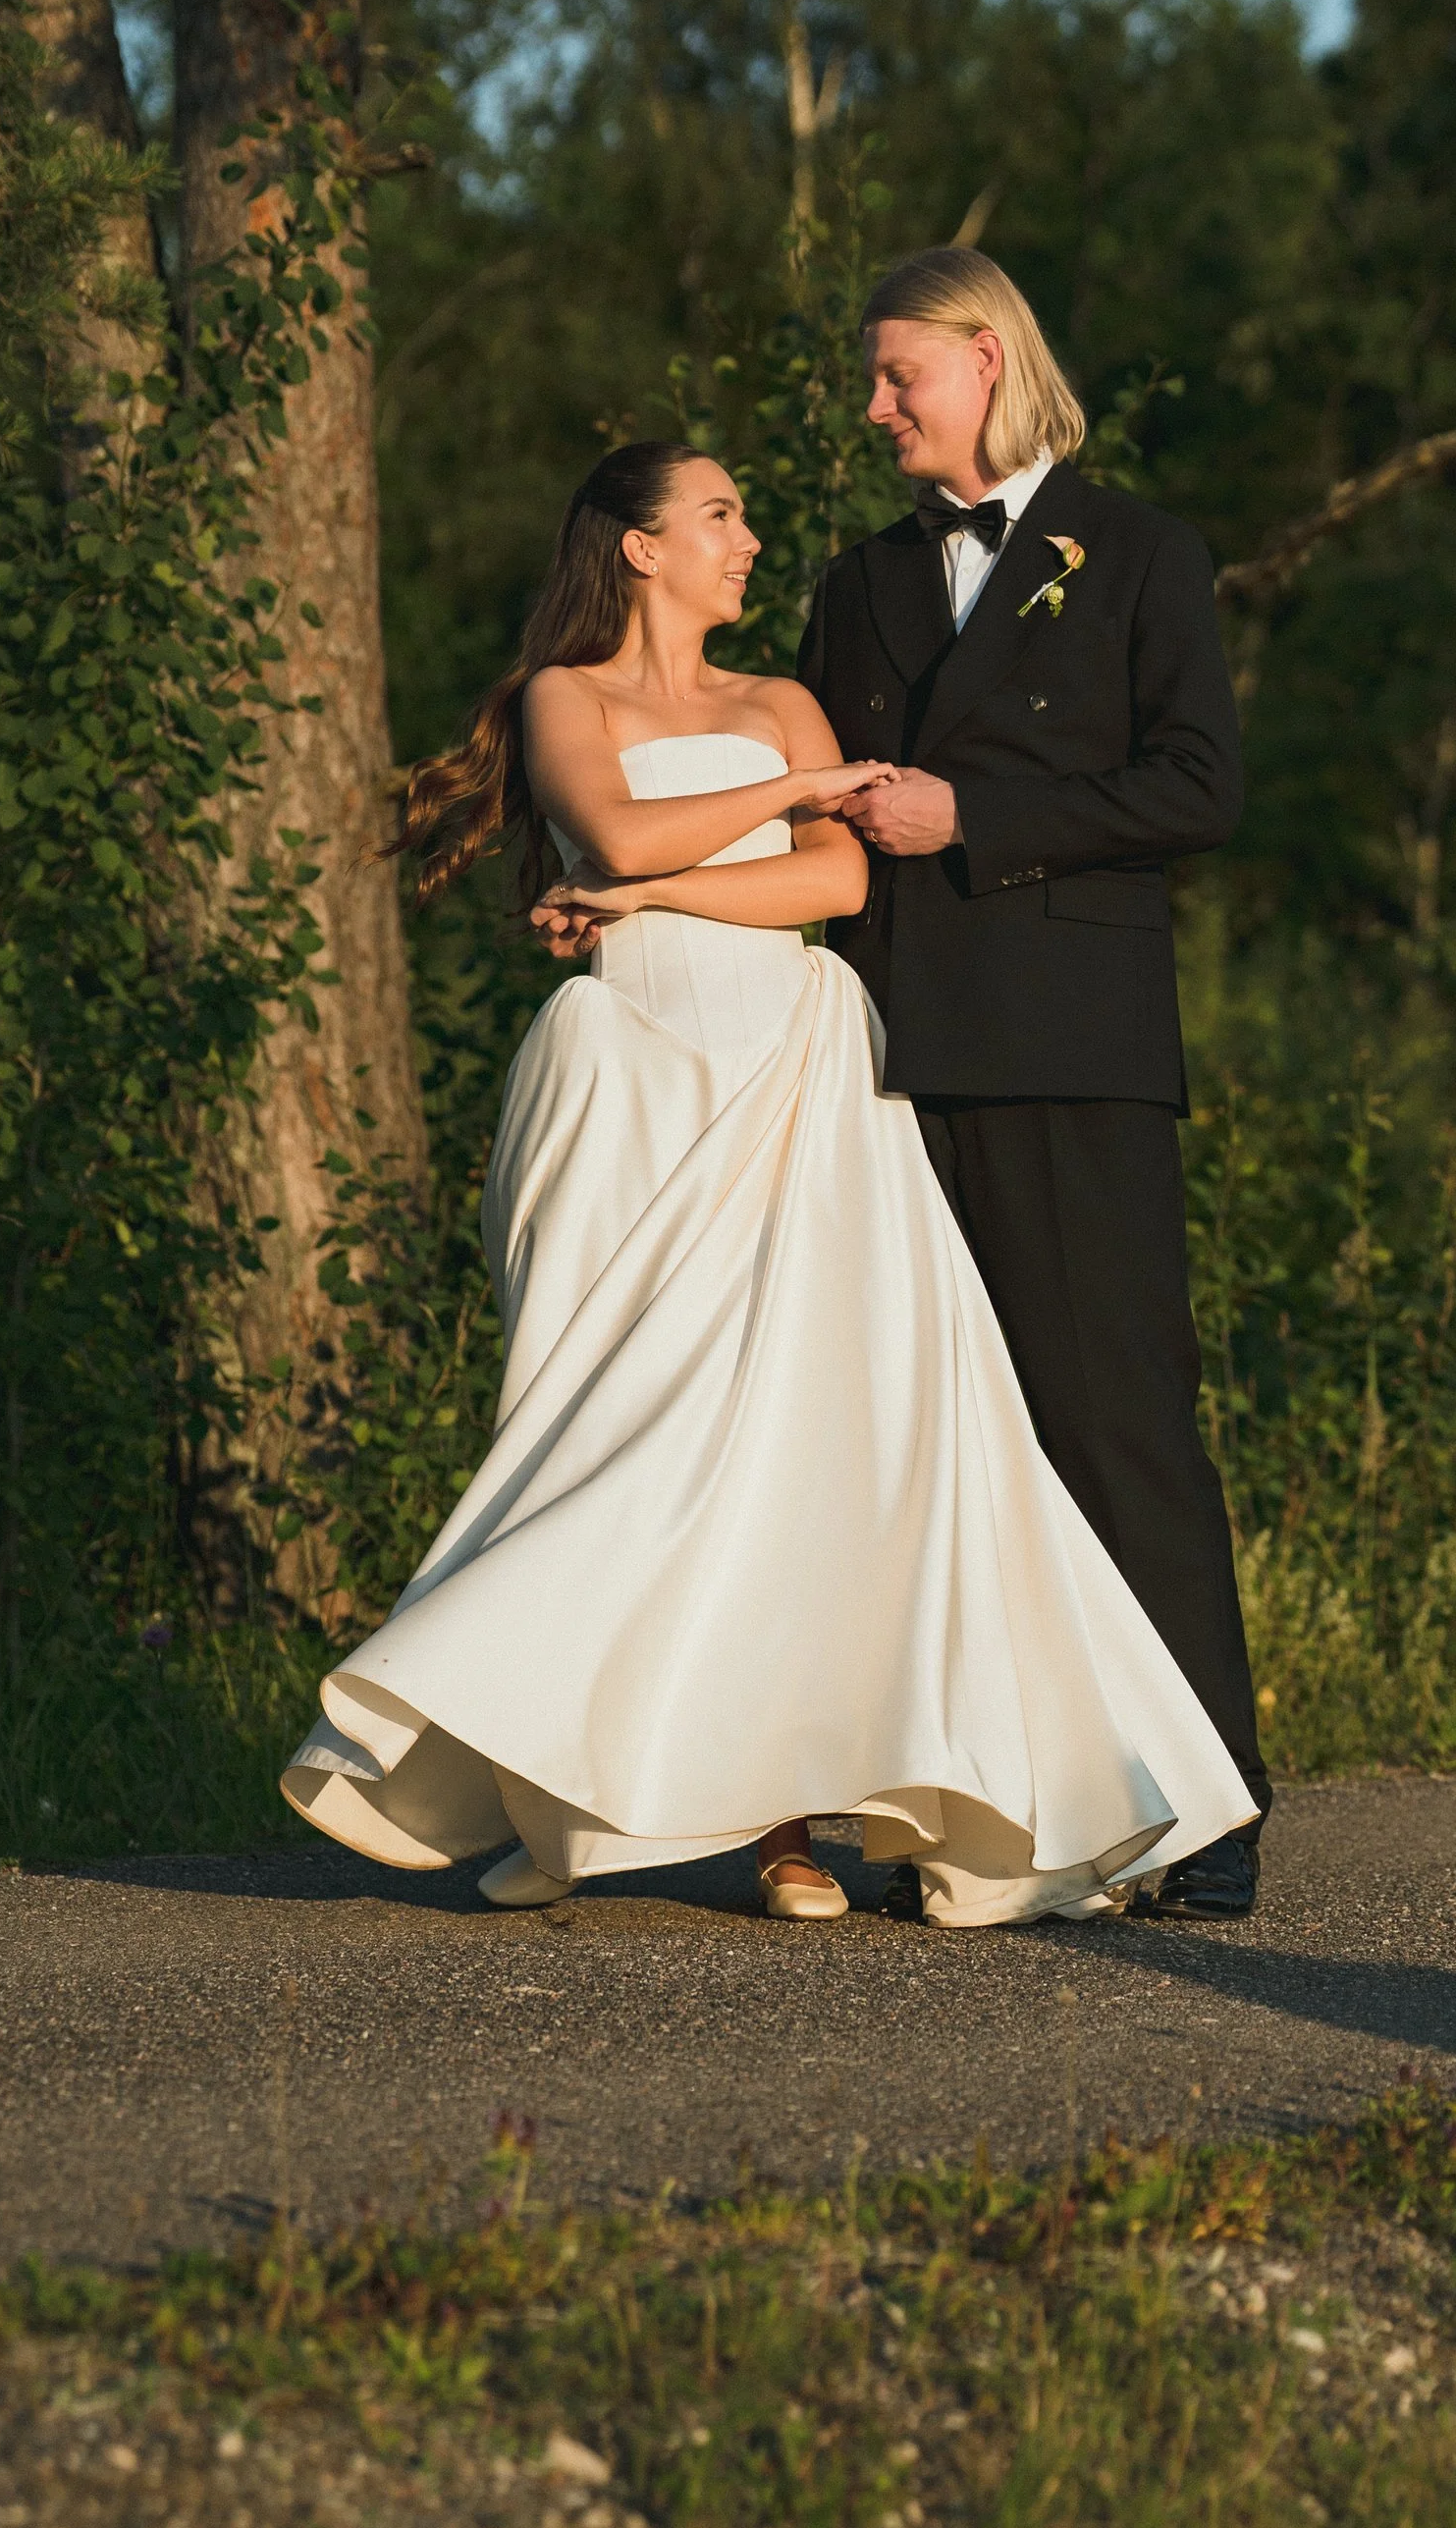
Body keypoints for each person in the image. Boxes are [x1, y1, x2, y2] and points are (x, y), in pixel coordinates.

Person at [278, 438, 1257, 1925]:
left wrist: (662, 884)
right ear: (638, 547)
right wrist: (759, 810)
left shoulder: (780, 701)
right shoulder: (567, 698)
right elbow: (609, 824)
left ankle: (794, 1818)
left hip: (791, 1054)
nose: (750, 538)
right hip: (632, 1066)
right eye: (719, 515)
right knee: (603, 1423)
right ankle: (558, 1783)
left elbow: (836, 881)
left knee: (816, 1432)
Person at [796, 247, 1273, 1921]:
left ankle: (1207, 1815)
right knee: (920, 1447)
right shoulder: (856, 582)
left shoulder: (1141, 553)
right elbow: (803, 812)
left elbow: (1200, 786)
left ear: (987, 359)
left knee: (1115, 1422)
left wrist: (974, 825)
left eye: (895, 375)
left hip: (1073, 1056)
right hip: (884, 1061)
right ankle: (987, 1806)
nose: (875, 409)